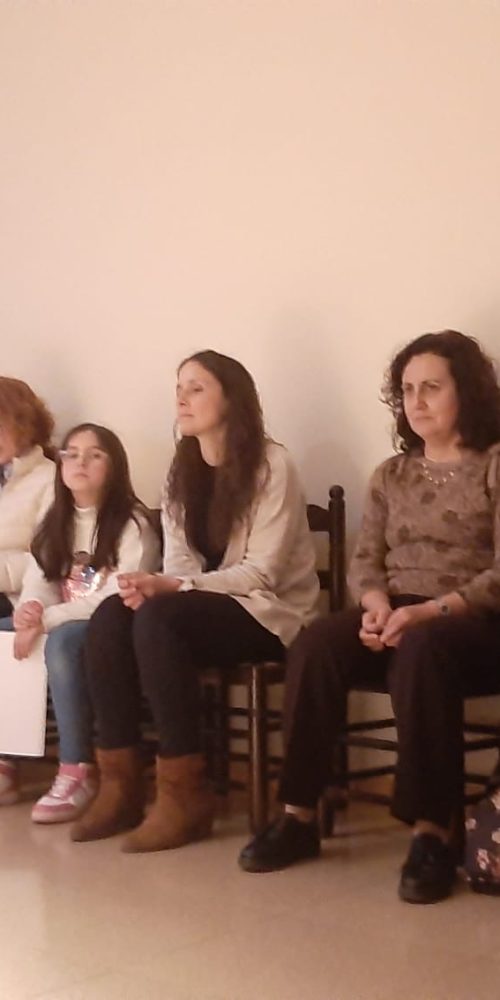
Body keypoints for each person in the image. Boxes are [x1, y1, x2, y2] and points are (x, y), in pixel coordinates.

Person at [239, 329, 500, 905]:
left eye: (432, 387)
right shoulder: (391, 474)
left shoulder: (494, 465)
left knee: (423, 649)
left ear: (468, 392)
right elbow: (366, 562)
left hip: (474, 622)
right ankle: (299, 815)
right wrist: (376, 606)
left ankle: (433, 832)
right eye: (407, 389)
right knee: (316, 643)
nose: (416, 401)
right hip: (398, 612)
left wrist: (431, 611)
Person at [71, 350, 319, 852]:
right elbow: (180, 563)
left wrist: (176, 589)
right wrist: (159, 585)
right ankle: (121, 783)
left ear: (232, 399)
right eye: (179, 388)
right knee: (113, 613)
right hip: (201, 611)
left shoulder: (272, 464)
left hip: (270, 613)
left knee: (159, 618)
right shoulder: (181, 470)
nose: (182, 398)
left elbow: (262, 574)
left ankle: (185, 794)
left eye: (197, 388)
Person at [12, 422, 161, 823]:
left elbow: (117, 594)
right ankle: (7, 758)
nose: (81, 462)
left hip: (115, 626)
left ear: (115, 467)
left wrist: (48, 620)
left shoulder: (133, 523)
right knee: (5, 632)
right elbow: (40, 579)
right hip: (62, 619)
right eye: (72, 454)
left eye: (95, 455)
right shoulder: (55, 521)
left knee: (63, 642)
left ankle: (76, 768)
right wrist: (30, 610)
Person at [0, 377, 55, 806]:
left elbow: (49, 558)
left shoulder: (50, 479)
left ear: (23, 424)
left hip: (24, 596)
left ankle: (3, 764)